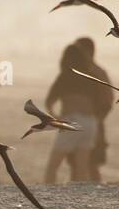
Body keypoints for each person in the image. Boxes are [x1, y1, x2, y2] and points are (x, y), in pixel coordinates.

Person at [43, 39, 112, 183]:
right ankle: (81, 198)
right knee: (83, 166)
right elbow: (104, 100)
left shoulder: (65, 76)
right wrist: (98, 120)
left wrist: (55, 118)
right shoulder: (90, 75)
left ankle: (46, 196)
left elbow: (49, 102)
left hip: (72, 120)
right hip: (90, 122)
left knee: (52, 167)